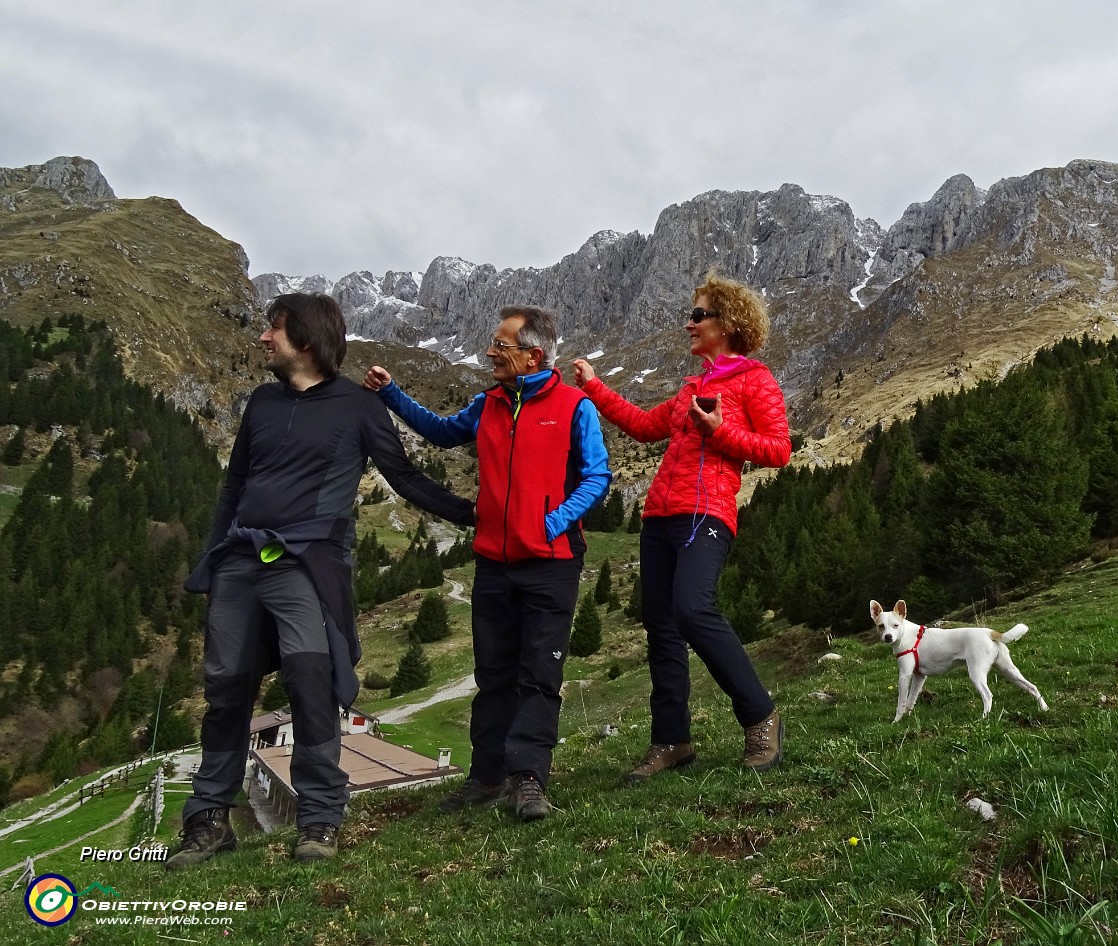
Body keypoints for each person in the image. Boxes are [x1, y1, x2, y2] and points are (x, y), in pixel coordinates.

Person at [167, 293, 476, 870]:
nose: (264, 338)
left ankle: (319, 817)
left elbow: (404, 477)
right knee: (225, 688)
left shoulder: (359, 407)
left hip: (308, 564)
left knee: (312, 684)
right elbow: (234, 488)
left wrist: (475, 514)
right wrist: (212, 558)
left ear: (305, 339)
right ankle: (209, 818)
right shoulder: (261, 402)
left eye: (274, 330)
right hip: (241, 561)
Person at [363, 305, 610, 821]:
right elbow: (441, 431)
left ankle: (529, 779)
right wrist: (391, 394)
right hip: (494, 564)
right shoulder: (489, 403)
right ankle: (487, 775)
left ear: (533, 355)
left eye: (501, 345)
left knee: (539, 674)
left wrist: (550, 522)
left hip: (552, 560)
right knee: (493, 672)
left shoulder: (573, 406)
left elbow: (597, 477)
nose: (491, 353)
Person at [572, 271, 792, 783]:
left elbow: (779, 449)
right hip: (659, 517)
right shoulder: (691, 387)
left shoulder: (754, 380)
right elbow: (645, 426)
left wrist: (721, 430)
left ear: (728, 323)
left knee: (693, 609)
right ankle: (671, 740)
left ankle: (760, 715)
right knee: (661, 628)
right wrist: (593, 387)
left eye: (698, 315)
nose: (688, 323)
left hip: (708, 513)